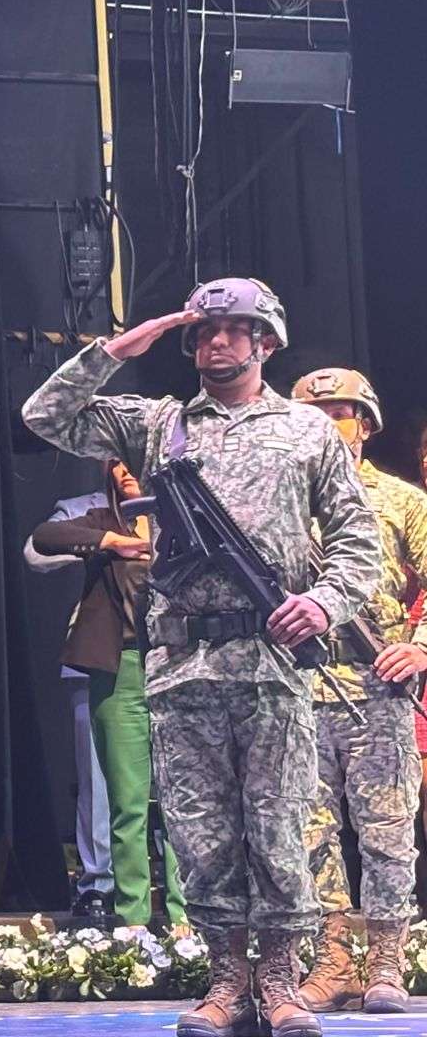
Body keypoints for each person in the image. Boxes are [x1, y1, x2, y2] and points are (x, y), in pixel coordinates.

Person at [21, 277, 380, 1037]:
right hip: (183, 662)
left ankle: (278, 980)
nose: (215, 342)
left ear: (266, 341)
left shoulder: (308, 432)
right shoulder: (160, 425)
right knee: (200, 833)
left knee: (278, 829)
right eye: (203, 333)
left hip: (270, 660)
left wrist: (323, 602)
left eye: (232, 329)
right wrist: (119, 348)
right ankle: (225, 983)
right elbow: (43, 415)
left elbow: (358, 542)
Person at [290, 369, 427, 1013]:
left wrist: (420, 646)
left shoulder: (401, 501)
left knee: (387, 832)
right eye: (313, 414)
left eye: (339, 414)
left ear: (365, 424)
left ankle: (387, 963)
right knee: (309, 833)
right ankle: (334, 961)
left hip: (378, 688)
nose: (326, 424)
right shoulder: (278, 504)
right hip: (297, 688)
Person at [28, 463, 188, 931]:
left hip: (180, 666)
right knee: (127, 798)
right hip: (121, 666)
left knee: (183, 799)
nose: (126, 473)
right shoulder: (104, 521)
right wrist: (111, 542)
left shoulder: (185, 522)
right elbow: (44, 538)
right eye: (117, 466)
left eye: (133, 462)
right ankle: (133, 917)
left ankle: (186, 915)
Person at [23, 488, 117, 925]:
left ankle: (184, 889)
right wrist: (103, 541)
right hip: (98, 655)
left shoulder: (176, 495)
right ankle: (98, 882)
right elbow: (35, 551)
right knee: (97, 778)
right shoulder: (90, 507)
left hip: (170, 654)